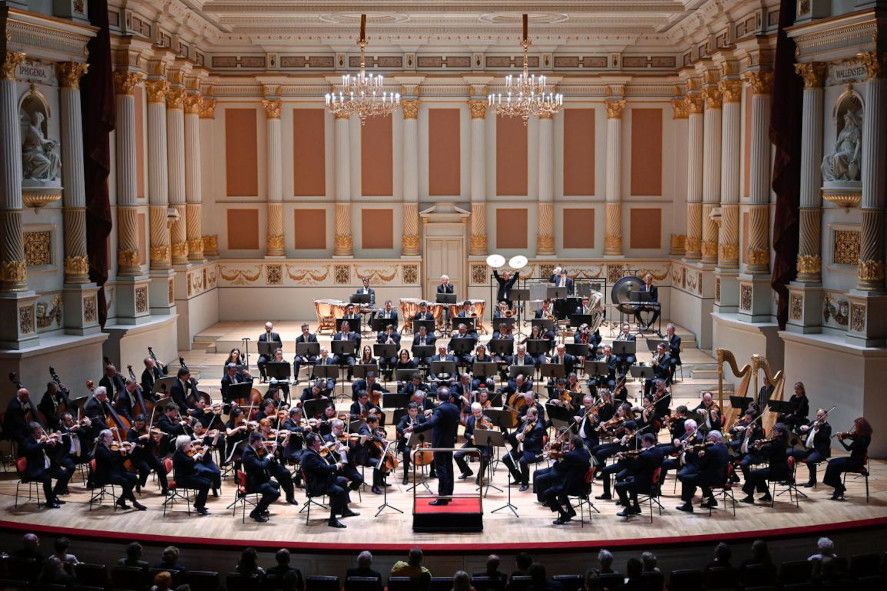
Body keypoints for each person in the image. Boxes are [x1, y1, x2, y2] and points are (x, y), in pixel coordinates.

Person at [406, 388, 461, 505]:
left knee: (441, 469)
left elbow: (432, 423)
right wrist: (434, 411)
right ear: (449, 397)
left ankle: (442, 498)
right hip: (449, 442)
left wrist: (415, 428)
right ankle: (448, 495)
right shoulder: (454, 408)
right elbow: (448, 417)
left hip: (440, 443)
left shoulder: (440, 410)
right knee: (449, 468)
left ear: (437, 397)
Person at [301, 432, 358, 528]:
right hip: (316, 485)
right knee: (339, 491)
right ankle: (332, 519)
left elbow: (326, 463)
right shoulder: (309, 456)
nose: (321, 443)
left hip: (321, 479)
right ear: (313, 443)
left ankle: (345, 510)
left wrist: (335, 452)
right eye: (319, 441)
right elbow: (324, 469)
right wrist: (337, 465)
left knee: (342, 481)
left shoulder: (313, 452)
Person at [21, 421, 71, 508]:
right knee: (47, 479)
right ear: (33, 432)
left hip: (47, 468)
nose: (41, 433)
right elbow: (30, 449)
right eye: (38, 432)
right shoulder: (27, 441)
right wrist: (43, 443)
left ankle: (53, 496)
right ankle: (50, 502)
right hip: (36, 470)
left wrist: (58, 442)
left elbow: (55, 452)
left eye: (41, 430)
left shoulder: (43, 440)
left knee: (63, 474)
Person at [676, 430, 729, 512]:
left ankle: (688, 505)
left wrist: (698, 455)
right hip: (722, 477)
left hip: (711, 479)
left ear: (714, 438)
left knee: (686, 478)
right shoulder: (724, 447)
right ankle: (711, 500)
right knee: (695, 477)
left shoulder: (711, 450)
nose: (707, 439)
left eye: (709, 437)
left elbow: (701, 465)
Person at [614, 433, 665, 517]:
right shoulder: (659, 451)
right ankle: (636, 507)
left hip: (644, 484)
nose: (641, 443)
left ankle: (629, 508)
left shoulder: (645, 455)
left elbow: (633, 468)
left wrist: (623, 459)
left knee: (618, 486)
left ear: (647, 442)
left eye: (642, 442)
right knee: (629, 479)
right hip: (654, 482)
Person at [823, 417, 872, 501]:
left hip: (855, 463)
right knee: (832, 462)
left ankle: (838, 486)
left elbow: (848, 448)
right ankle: (838, 488)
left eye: (856, 426)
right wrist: (847, 435)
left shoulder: (861, 439)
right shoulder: (866, 436)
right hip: (855, 460)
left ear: (860, 427)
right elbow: (854, 437)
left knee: (833, 465)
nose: (855, 428)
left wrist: (841, 440)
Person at [741, 423, 790, 504]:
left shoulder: (777, 443)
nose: (773, 432)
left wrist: (760, 447)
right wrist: (763, 444)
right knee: (758, 474)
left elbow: (765, 455)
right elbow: (769, 447)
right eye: (773, 430)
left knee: (754, 474)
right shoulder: (780, 441)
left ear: (781, 433)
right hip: (778, 468)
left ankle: (750, 497)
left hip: (778, 471)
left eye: (775, 430)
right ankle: (767, 495)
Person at [792, 407, 833, 487]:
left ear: (826, 416)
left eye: (821, 416)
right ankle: (789, 479)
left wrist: (817, 429)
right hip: (807, 449)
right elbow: (799, 432)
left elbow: (823, 438)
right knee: (790, 453)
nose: (819, 417)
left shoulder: (827, 427)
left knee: (810, 460)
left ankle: (812, 480)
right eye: (817, 415)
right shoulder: (813, 422)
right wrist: (802, 428)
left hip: (819, 451)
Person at [171, 435, 211, 515]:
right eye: (189, 443)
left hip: (188, 475)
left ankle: (198, 504)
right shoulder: (178, 453)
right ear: (184, 445)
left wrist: (200, 455)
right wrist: (196, 455)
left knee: (207, 481)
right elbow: (189, 462)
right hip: (182, 479)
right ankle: (200, 507)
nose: (191, 445)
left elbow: (190, 462)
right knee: (205, 484)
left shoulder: (183, 451)